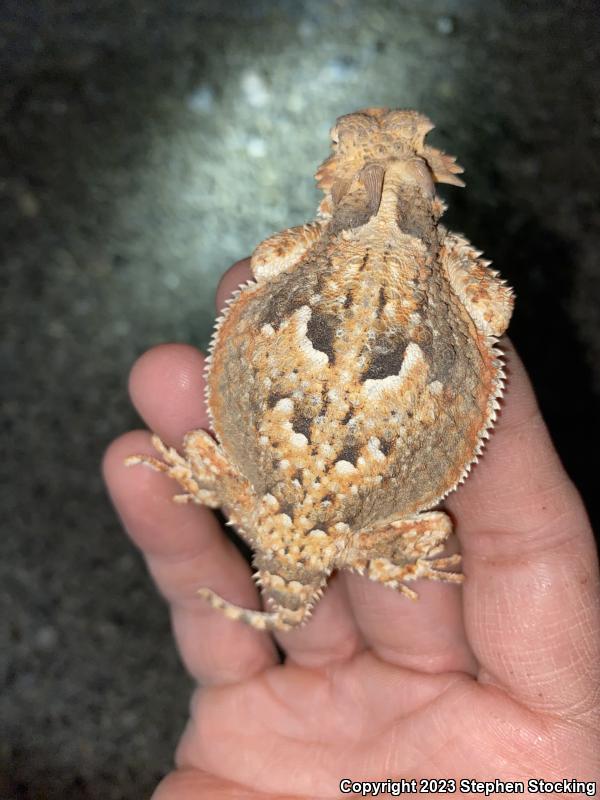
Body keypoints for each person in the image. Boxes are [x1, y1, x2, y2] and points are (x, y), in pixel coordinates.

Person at [103, 258, 600, 799]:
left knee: (198, 446)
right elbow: (432, 529)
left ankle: (206, 497)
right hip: (321, 524)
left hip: (288, 510)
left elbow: (203, 447)